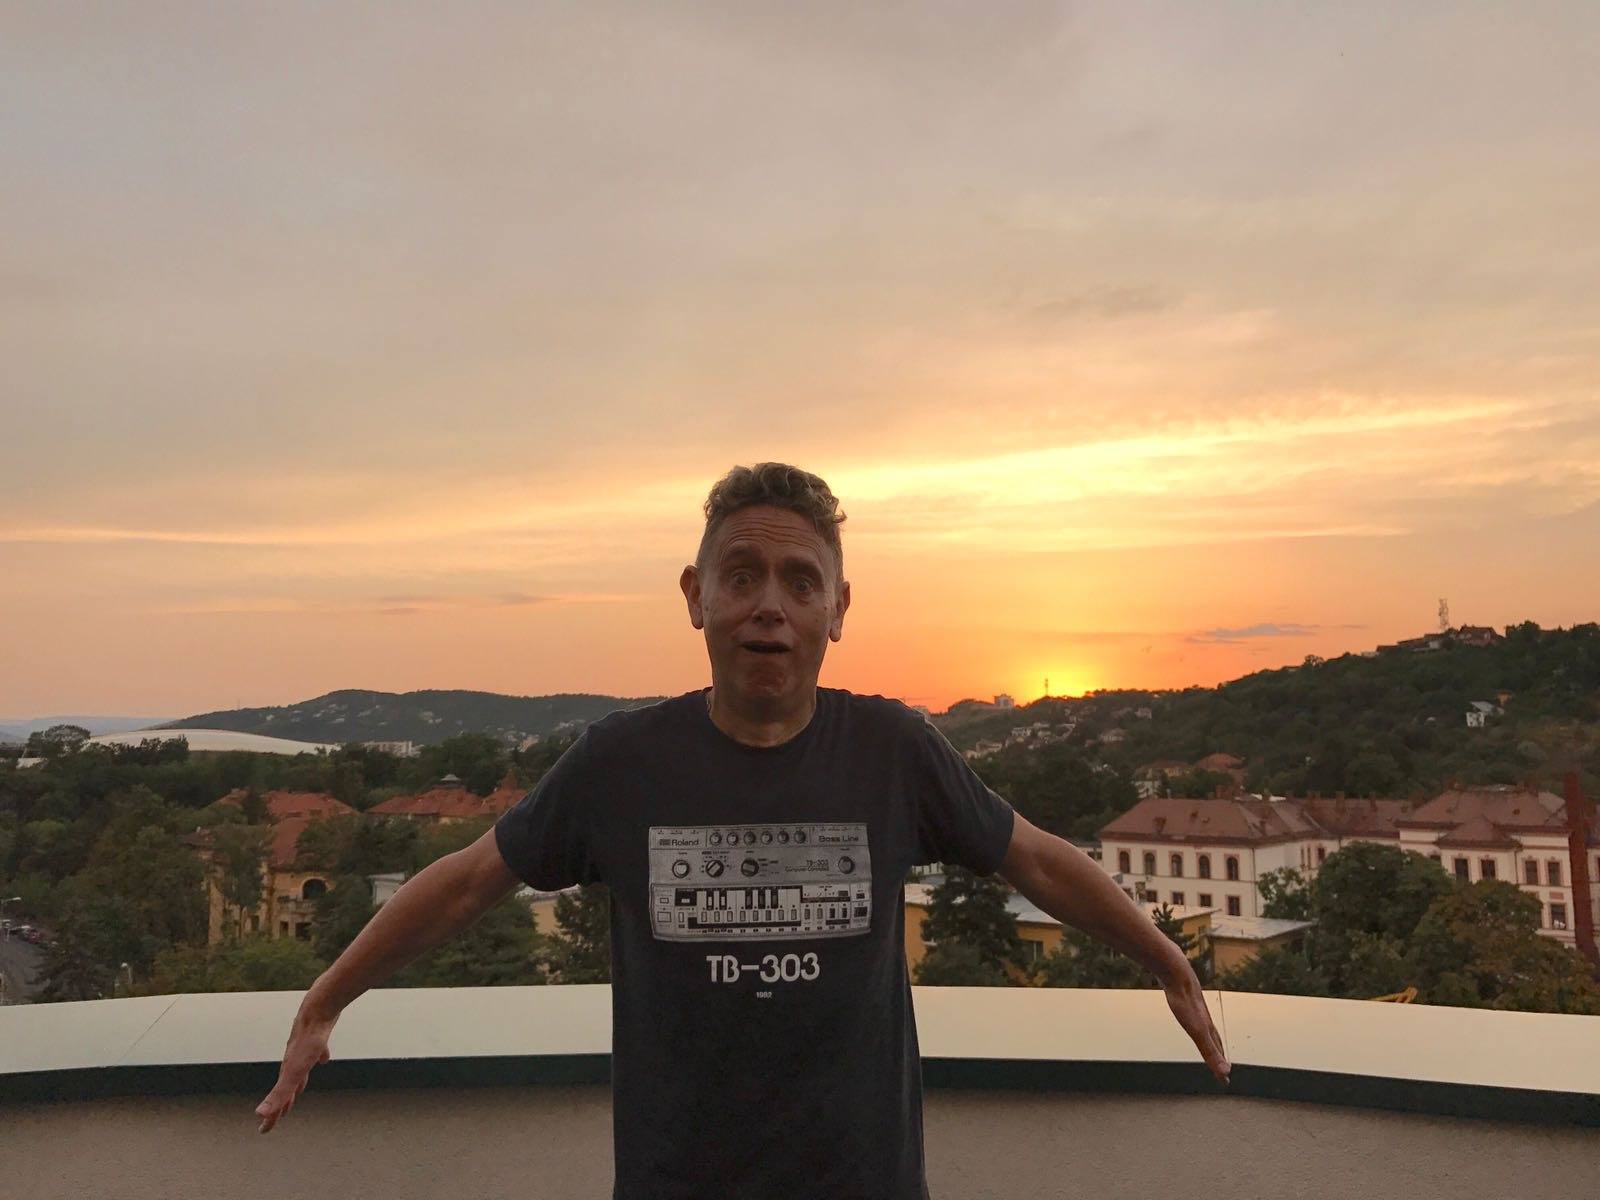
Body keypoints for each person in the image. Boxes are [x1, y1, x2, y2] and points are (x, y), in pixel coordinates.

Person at [255, 461, 1230, 1197]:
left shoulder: (893, 752)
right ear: (698, 597)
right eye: (743, 576)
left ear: (837, 610)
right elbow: (471, 881)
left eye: (801, 582)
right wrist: (325, 1000)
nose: (770, 606)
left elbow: (1037, 861)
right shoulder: (620, 763)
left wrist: (1166, 962)